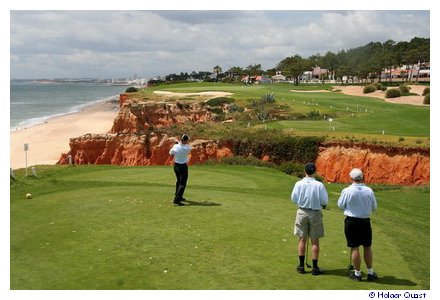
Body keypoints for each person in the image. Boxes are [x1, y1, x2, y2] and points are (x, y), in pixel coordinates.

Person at [337, 168, 378, 282]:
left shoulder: (347, 191)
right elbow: (374, 207)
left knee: (355, 247)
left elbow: (340, 205)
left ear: (351, 178)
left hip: (351, 222)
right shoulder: (369, 190)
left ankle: (357, 274)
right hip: (365, 221)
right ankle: (370, 273)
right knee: (367, 246)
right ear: (362, 177)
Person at [291, 162, 328, 275]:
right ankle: (315, 268)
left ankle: (301, 266)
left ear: (304, 171)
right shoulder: (319, 185)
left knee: (302, 239)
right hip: (315, 213)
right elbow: (325, 201)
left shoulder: (298, 183)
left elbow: (293, 199)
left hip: (302, 212)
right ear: (315, 172)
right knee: (315, 241)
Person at [169, 134, 192, 206]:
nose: (188, 141)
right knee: (182, 183)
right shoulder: (187, 148)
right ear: (185, 140)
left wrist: (176, 145)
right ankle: (177, 199)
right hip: (183, 166)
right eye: (187, 140)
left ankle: (178, 196)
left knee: (178, 181)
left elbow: (171, 153)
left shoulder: (175, 146)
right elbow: (188, 149)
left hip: (176, 166)